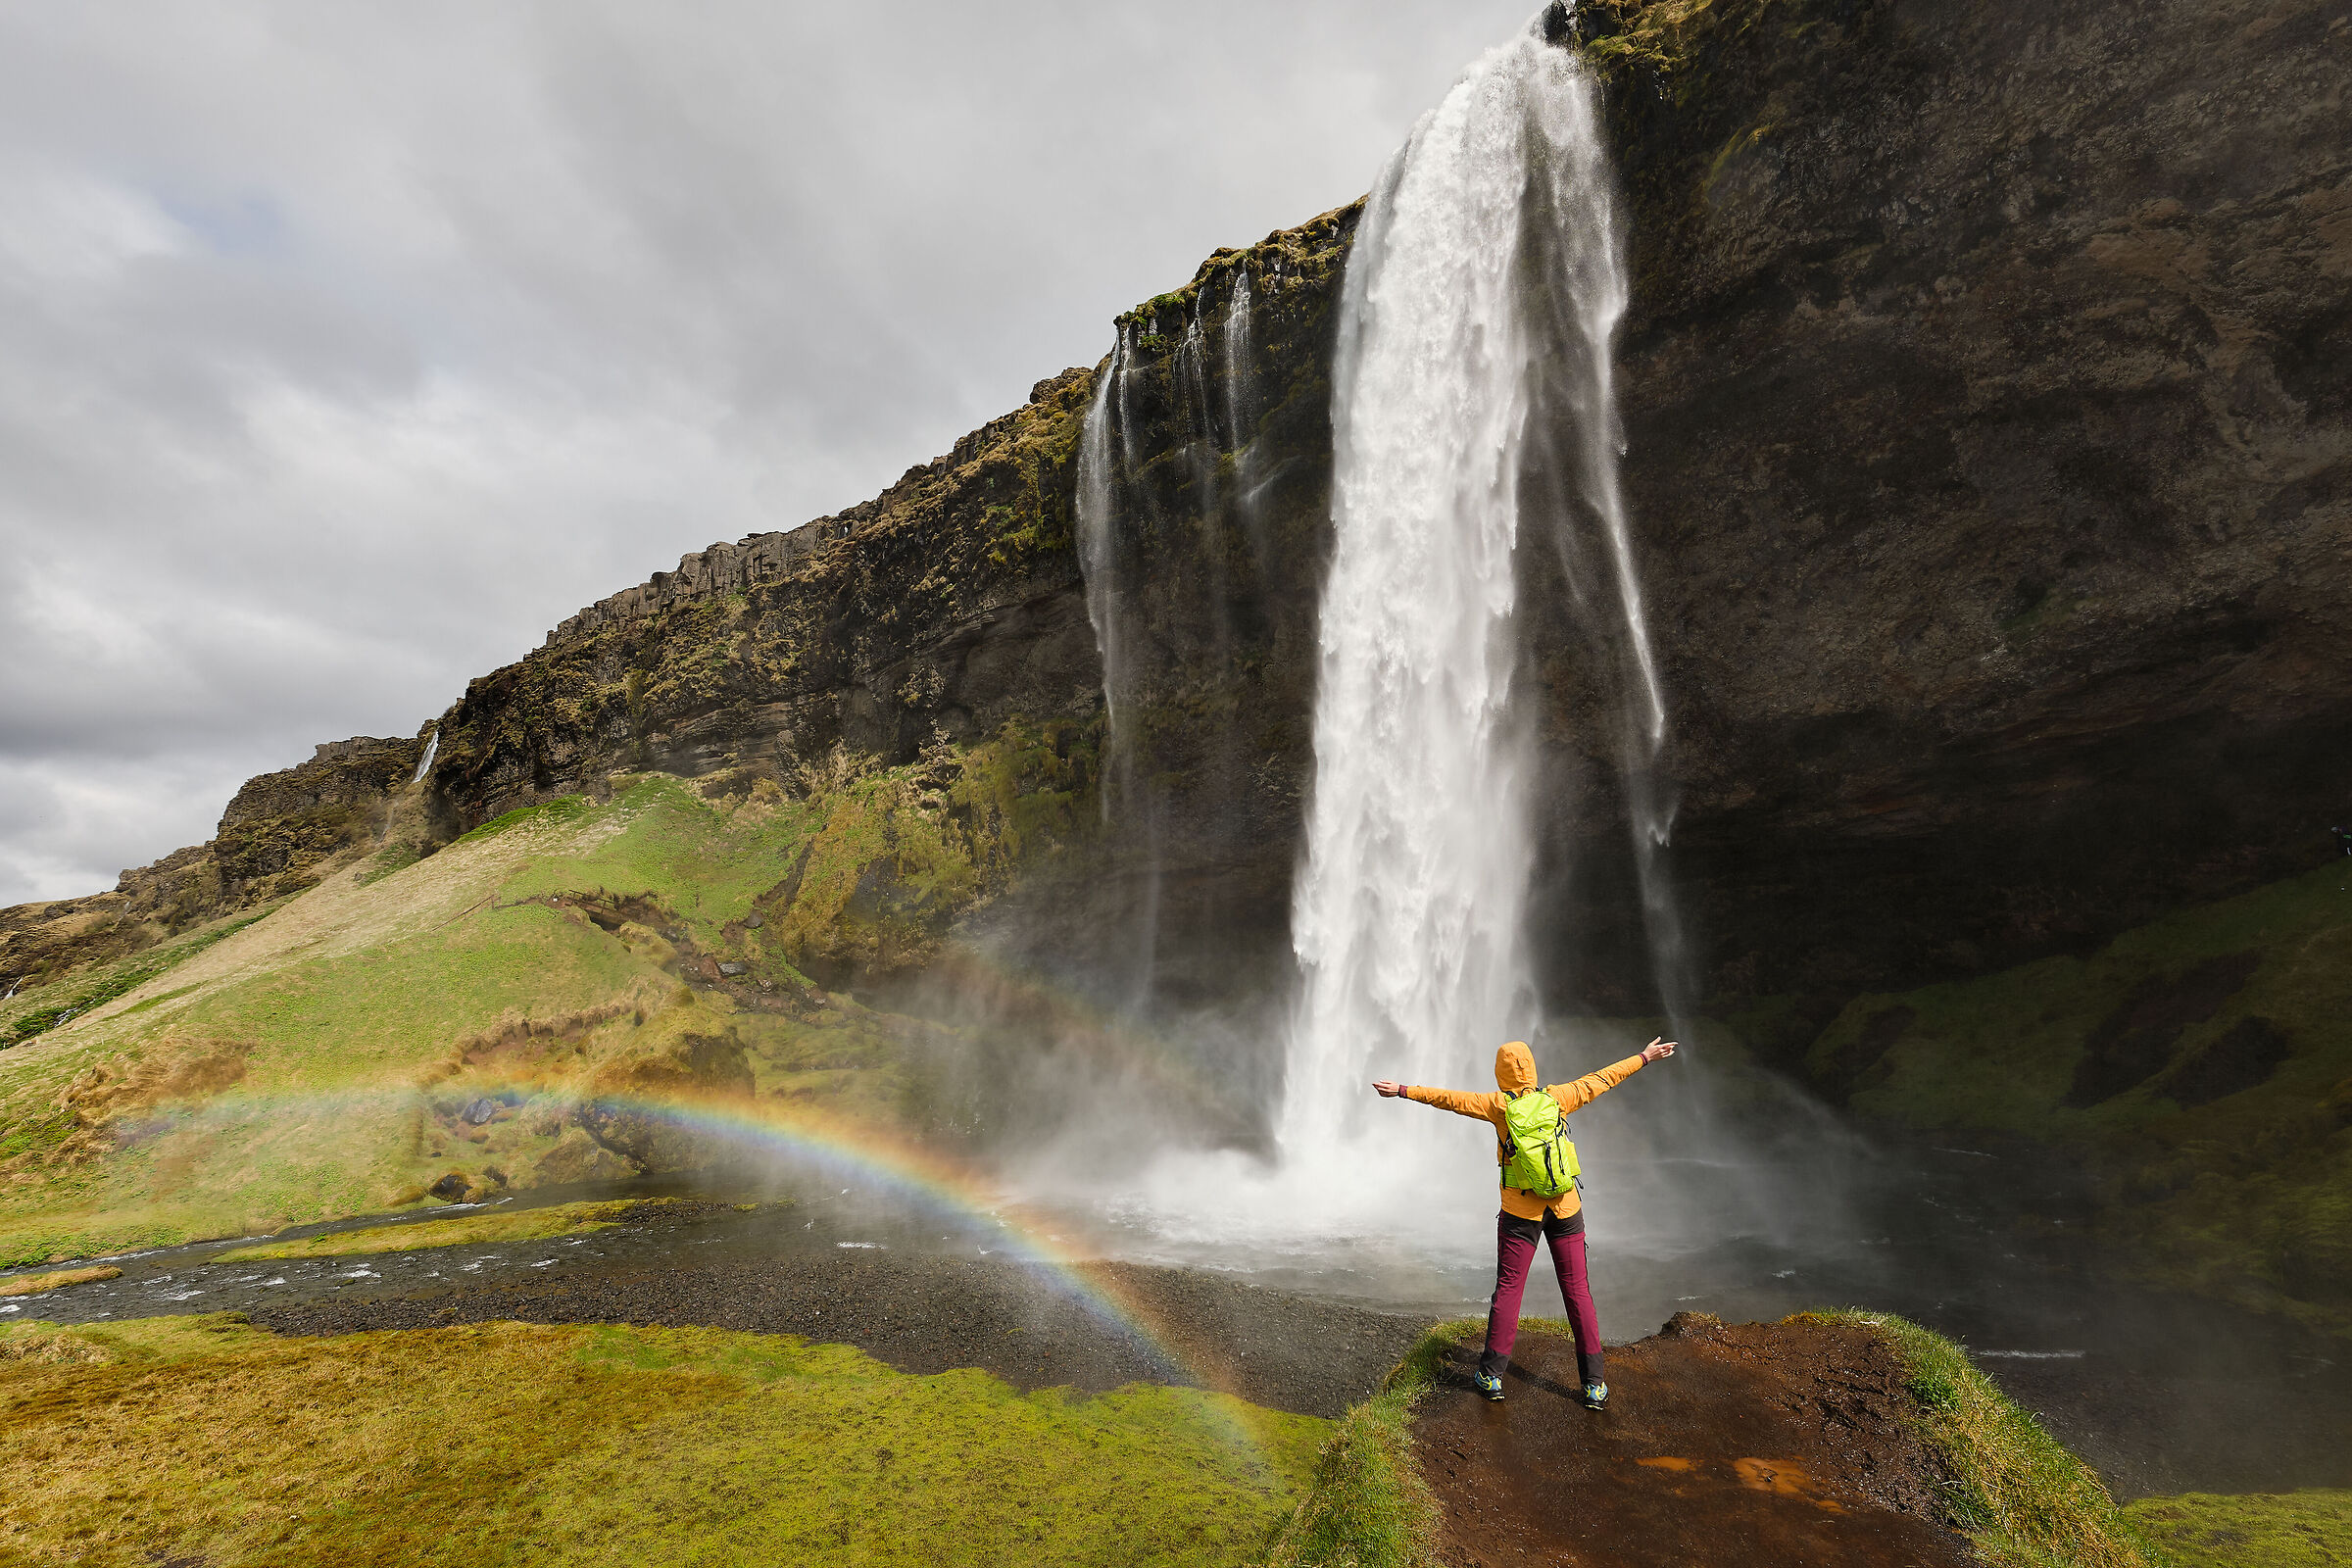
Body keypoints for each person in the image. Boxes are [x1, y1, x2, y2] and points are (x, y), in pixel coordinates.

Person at [1373, 1035, 1677, 1408]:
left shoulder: (1498, 1106)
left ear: (1500, 1073)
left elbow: (1449, 1098)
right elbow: (1601, 1079)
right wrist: (1644, 1057)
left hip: (1520, 1214)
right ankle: (1594, 1385)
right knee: (1578, 1292)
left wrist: (1403, 1090)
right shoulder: (1558, 1097)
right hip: (1565, 1206)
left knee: (1509, 1290)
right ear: (1532, 1069)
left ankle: (1491, 1376)